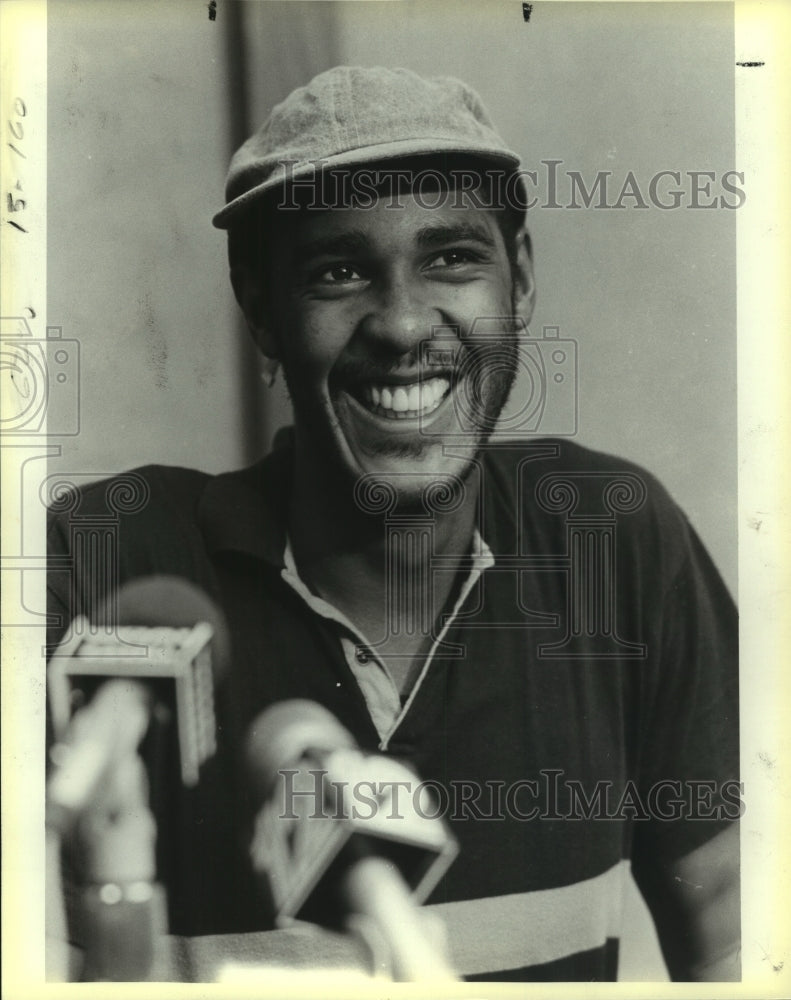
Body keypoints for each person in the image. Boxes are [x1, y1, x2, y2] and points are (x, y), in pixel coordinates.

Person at [47, 66, 740, 981]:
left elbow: (737, 944)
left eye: (450, 257)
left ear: (519, 281)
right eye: (337, 272)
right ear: (262, 313)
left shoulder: (613, 542)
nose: (404, 324)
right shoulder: (105, 563)